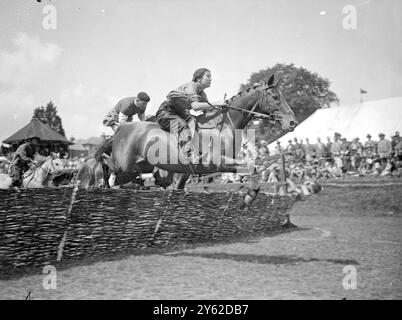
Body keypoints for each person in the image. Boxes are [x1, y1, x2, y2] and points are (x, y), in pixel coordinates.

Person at [155, 68, 217, 163]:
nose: (211, 79)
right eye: (208, 76)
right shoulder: (191, 87)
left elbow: (208, 110)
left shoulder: (202, 93)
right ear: (199, 79)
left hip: (180, 113)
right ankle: (190, 154)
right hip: (166, 112)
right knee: (182, 126)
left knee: (197, 123)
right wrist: (217, 103)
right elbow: (195, 106)